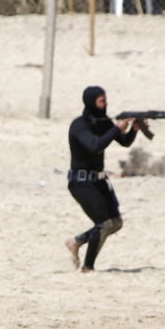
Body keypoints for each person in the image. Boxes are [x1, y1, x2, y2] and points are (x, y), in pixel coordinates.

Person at [64, 85, 141, 273]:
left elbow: (124, 142)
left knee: (116, 222)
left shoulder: (103, 121)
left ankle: (76, 242)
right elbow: (94, 146)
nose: (105, 104)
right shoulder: (79, 125)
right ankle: (88, 267)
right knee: (104, 224)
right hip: (81, 183)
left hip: (98, 181)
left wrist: (134, 129)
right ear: (91, 102)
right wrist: (116, 128)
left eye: (105, 100)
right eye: (101, 101)